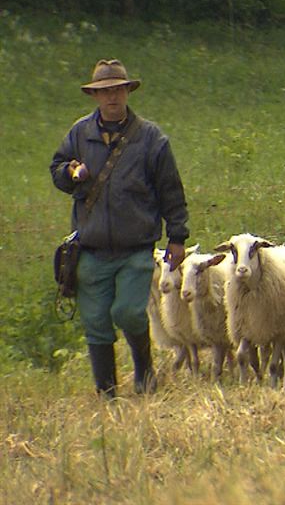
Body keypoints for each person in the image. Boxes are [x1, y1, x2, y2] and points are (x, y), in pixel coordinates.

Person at [50, 59, 189, 397]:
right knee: (95, 321)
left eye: (118, 89)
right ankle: (106, 391)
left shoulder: (151, 138)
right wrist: (70, 173)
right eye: (104, 91)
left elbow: (171, 189)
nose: (112, 96)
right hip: (92, 246)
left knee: (128, 312)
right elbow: (56, 168)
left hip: (135, 246)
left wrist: (178, 236)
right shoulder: (79, 133)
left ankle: (144, 371)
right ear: (95, 96)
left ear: (127, 91)